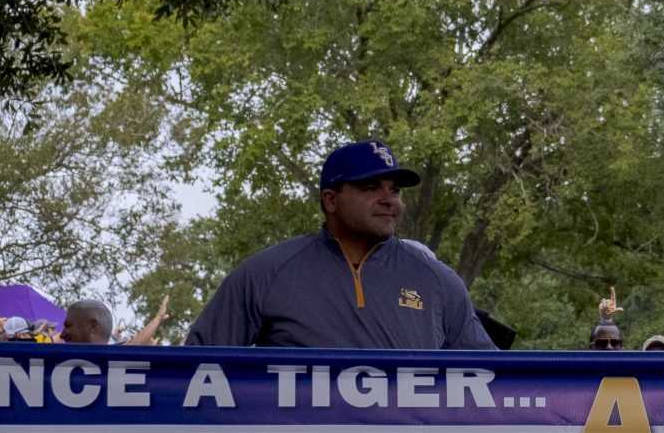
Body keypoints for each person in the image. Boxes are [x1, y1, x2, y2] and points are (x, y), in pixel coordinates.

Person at [186, 142, 494, 349]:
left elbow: (497, 382)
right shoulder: (266, 273)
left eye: (395, 190)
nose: (389, 200)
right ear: (330, 200)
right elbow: (195, 371)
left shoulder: (437, 280)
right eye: (371, 187)